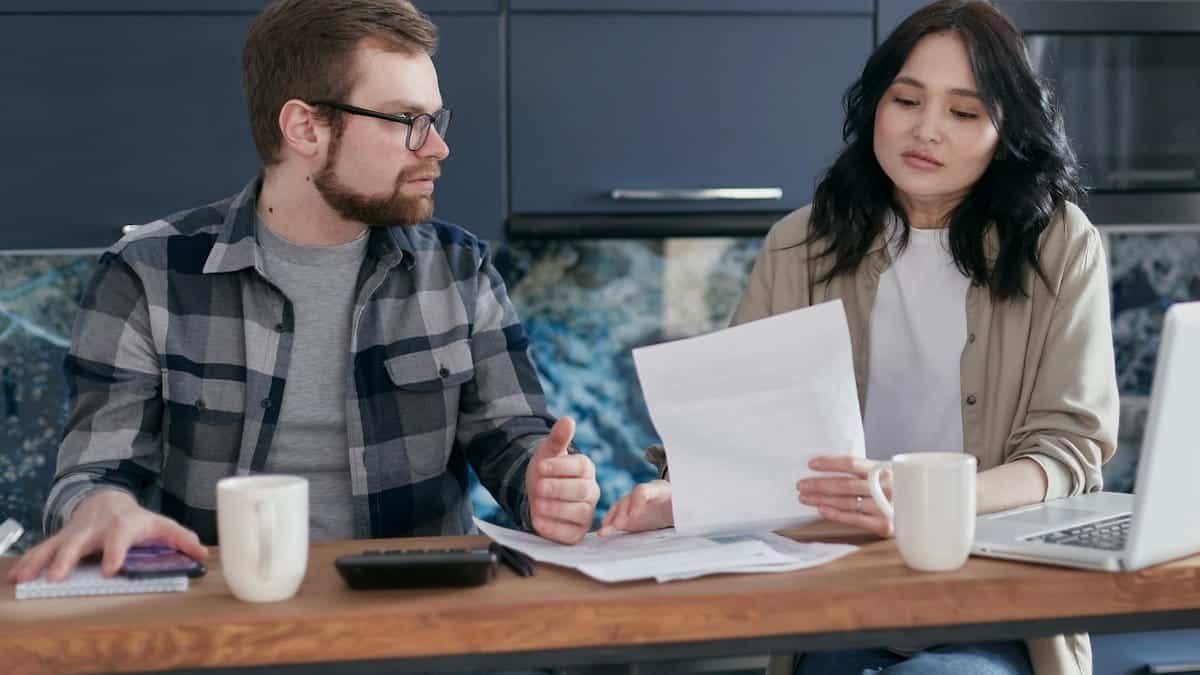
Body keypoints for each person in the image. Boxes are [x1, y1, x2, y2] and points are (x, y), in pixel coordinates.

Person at [600, 2, 1117, 674]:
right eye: (906, 100)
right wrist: (681, 496)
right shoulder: (801, 244)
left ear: (1005, 130)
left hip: (993, 601)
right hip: (833, 596)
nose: (926, 129)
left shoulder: (1059, 245)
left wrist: (913, 496)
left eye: (963, 113)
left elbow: (1067, 454)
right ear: (876, 104)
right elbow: (737, 433)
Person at [9, 0, 599, 586]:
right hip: (221, 626)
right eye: (407, 122)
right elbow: (91, 476)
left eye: (436, 122)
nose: (436, 148)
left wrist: (545, 487)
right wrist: (102, 508)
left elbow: (516, 443)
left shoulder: (459, 269)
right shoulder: (146, 274)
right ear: (306, 127)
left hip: (424, 620)